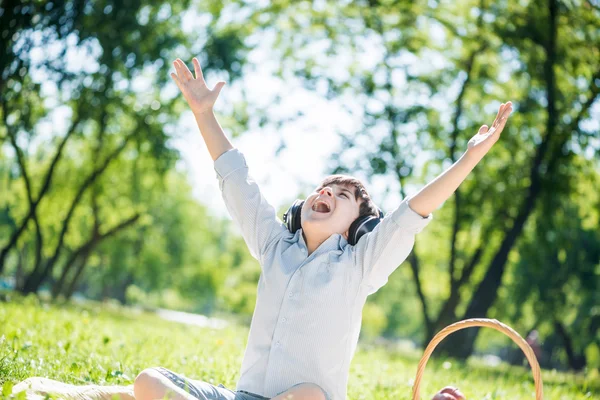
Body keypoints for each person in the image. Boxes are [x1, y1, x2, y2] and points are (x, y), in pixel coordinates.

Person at [15, 56, 512, 400]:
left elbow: (411, 214)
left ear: (354, 229)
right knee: (148, 380)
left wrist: (470, 157)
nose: (329, 195)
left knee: (313, 397)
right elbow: (238, 181)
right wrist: (204, 114)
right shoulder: (275, 245)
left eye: (343, 198)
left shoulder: (361, 265)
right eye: (325, 189)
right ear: (305, 204)